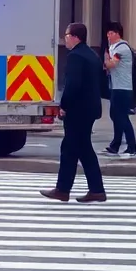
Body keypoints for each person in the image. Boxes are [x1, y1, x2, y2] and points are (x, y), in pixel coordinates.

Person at [42, 23, 107, 203]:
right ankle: (94, 190)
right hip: (90, 109)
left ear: (75, 36)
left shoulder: (75, 57)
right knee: (81, 148)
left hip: (78, 110)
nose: (65, 39)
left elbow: (72, 85)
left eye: (67, 35)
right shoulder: (92, 55)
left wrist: (64, 105)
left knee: (71, 148)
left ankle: (64, 190)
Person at [104, 22, 136, 158]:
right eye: (107, 33)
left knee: (122, 117)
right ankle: (115, 145)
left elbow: (112, 64)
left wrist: (105, 60)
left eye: (111, 33)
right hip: (117, 87)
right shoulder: (114, 47)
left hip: (123, 88)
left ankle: (131, 147)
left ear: (117, 33)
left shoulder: (122, 48)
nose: (108, 36)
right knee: (115, 115)